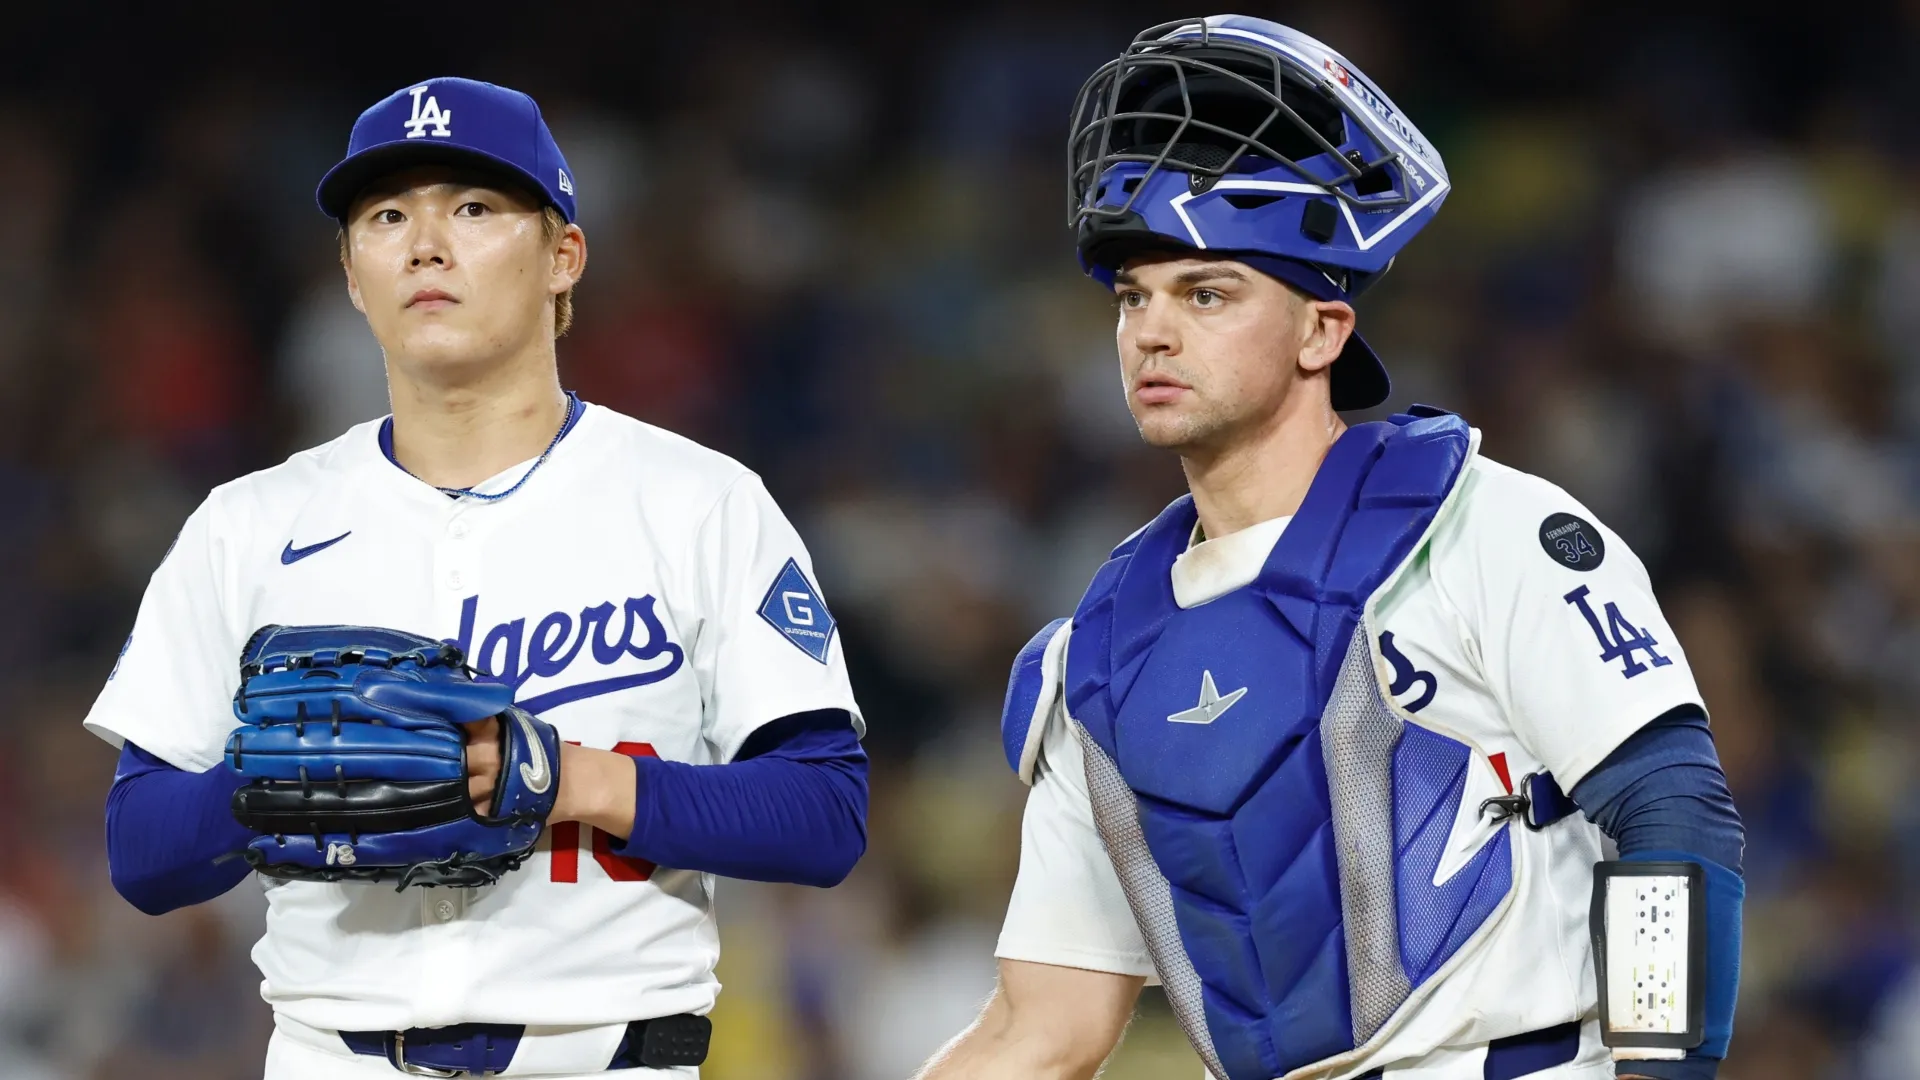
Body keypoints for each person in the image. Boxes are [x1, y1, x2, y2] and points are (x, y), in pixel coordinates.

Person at [917, 17, 1742, 1080]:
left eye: (1206, 293)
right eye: (1134, 298)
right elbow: (1042, 1029)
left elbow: (1671, 815)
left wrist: (1661, 1073)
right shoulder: (1101, 659)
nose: (1152, 333)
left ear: (1321, 332)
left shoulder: (1484, 532)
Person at [87, 77, 869, 1079]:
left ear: (563, 256)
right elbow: (139, 853)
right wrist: (274, 785)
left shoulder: (699, 504)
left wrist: (571, 780)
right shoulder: (247, 527)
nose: (425, 242)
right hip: (334, 1058)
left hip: (606, 1055)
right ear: (352, 275)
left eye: (473, 207)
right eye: (386, 215)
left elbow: (824, 817)